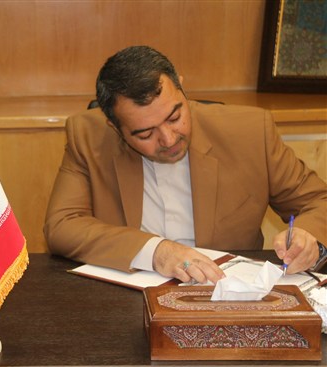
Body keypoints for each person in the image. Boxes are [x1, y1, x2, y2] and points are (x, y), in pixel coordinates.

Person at [44, 45, 327, 284]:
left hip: (228, 293)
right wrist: (156, 251)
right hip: (128, 295)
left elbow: (319, 201)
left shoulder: (250, 132)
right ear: (115, 127)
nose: (168, 139)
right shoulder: (88, 136)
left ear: (182, 87)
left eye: (175, 117)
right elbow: (62, 226)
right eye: (145, 133)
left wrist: (309, 240)